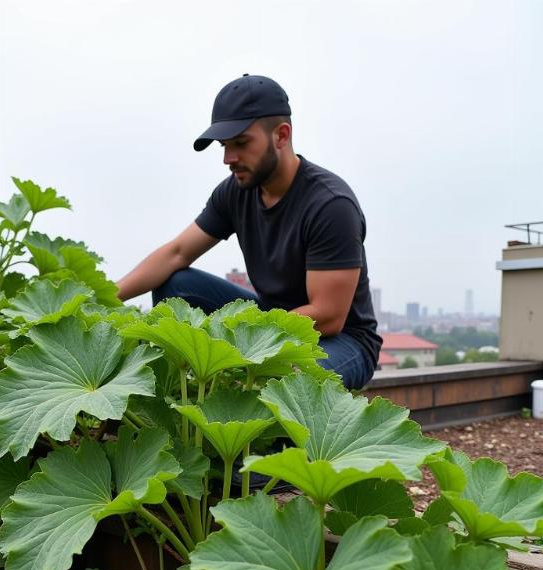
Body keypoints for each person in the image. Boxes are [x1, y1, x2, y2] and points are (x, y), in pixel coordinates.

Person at [115, 74, 381, 390]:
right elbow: (177, 253)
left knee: (282, 377)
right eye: (225, 146)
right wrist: (102, 296)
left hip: (342, 342)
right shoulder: (236, 192)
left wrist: (240, 342)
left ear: (281, 135)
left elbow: (328, 315)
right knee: (177, 284)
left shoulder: (330, 205)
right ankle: (182, 389)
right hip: (271, 320)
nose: (229, 159)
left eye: (241, 143)